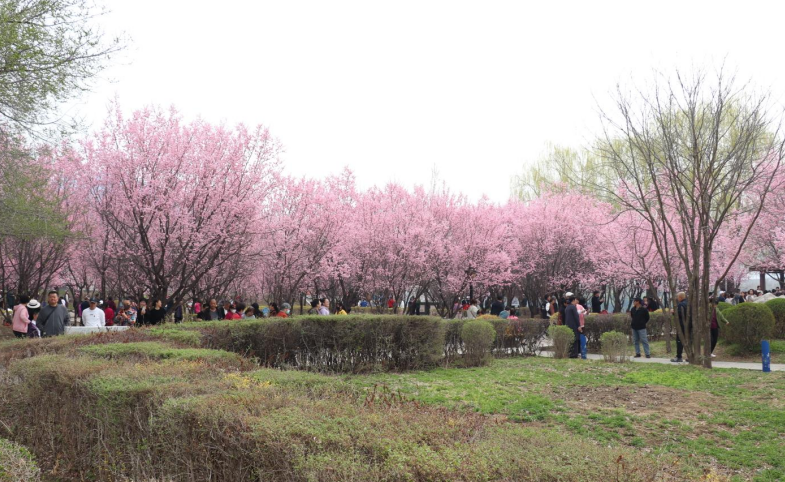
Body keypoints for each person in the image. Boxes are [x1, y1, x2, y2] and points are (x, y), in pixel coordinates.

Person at [671, 292, 691, 363]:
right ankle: (690, 356)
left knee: (679, 341)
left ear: (680, 297)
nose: (677, 298)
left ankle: (679, 356)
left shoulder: (681, 305)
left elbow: (678, 314)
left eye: (678, 297)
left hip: (682, 325)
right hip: (689, 325)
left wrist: (673, 312)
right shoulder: (689, 304)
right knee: (688, 341)